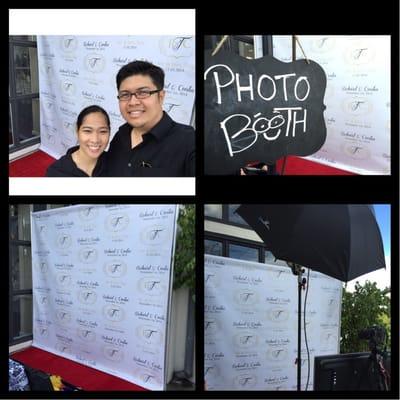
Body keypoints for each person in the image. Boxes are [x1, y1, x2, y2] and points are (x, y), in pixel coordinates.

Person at [106, 60, 195, 177]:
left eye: (143, 92)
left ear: (161, 96)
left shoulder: (189, 143)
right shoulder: (121, 135)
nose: (133, 102)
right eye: (125, 95)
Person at [46, 105, 110, 177]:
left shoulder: (114, 162)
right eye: (87, 131)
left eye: (103, 131)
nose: (95, 140)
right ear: (77, 131)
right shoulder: (56, 173)